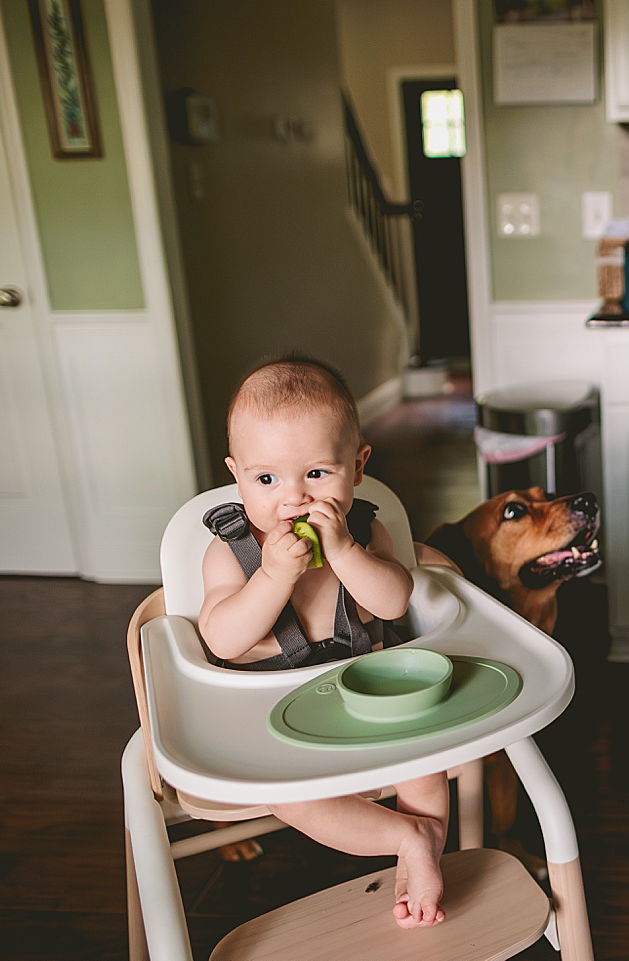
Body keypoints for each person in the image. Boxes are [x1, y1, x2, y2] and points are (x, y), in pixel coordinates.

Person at [198, 356, 448, 929]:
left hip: (366, 695)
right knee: (293, 799)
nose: (294, 498)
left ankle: (420, 864)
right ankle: (410, 839)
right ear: (236, 475)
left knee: (428, 767)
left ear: (357, 466)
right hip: (271, 717)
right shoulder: (230, 550)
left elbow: (392, 603)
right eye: (266, 479)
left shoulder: (365, 531)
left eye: (316, 474)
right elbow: (224, 638)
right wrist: (271, 576)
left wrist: (344, 553)